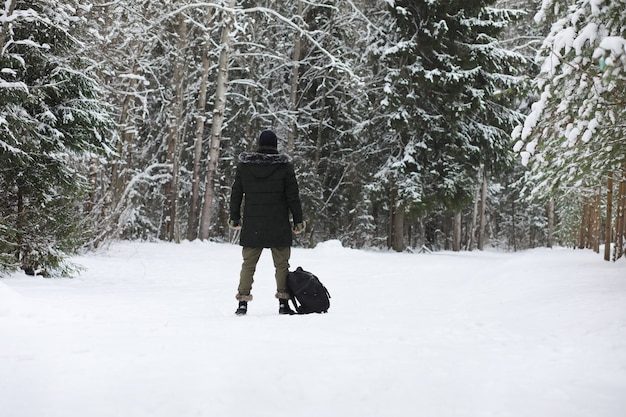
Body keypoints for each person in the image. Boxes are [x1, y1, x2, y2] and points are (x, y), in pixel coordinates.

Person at [228, 130, 305, 315]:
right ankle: (283, 303)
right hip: (278, 223)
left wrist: (234, 217)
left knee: (248, 264)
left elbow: (236, 193)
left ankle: (242, 303)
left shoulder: (245, 167)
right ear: (275, 145)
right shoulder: (285, 167)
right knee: (282, 265)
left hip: (253, 223)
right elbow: (293, 196)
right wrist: (298, 220)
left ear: (259, 144)